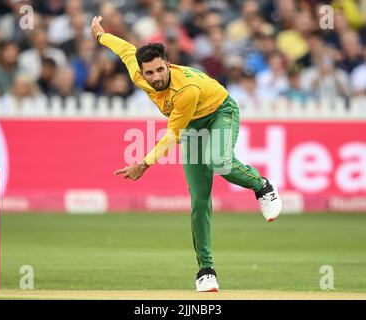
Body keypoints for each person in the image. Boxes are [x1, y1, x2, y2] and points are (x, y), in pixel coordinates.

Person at [91, 16, 282, 292]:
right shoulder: (137, 71)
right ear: (141, 73)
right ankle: (206, 271)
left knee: (218, 161)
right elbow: (124, 50)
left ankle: (262, 186)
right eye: (150, 73)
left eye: (160, 70)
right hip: (191, 125)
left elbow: (172, 135)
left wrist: (144, 163)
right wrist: (100, 35)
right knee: (199, 200)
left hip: (219, 112)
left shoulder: (185, 90)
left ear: (168, 65)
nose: (156, 77)